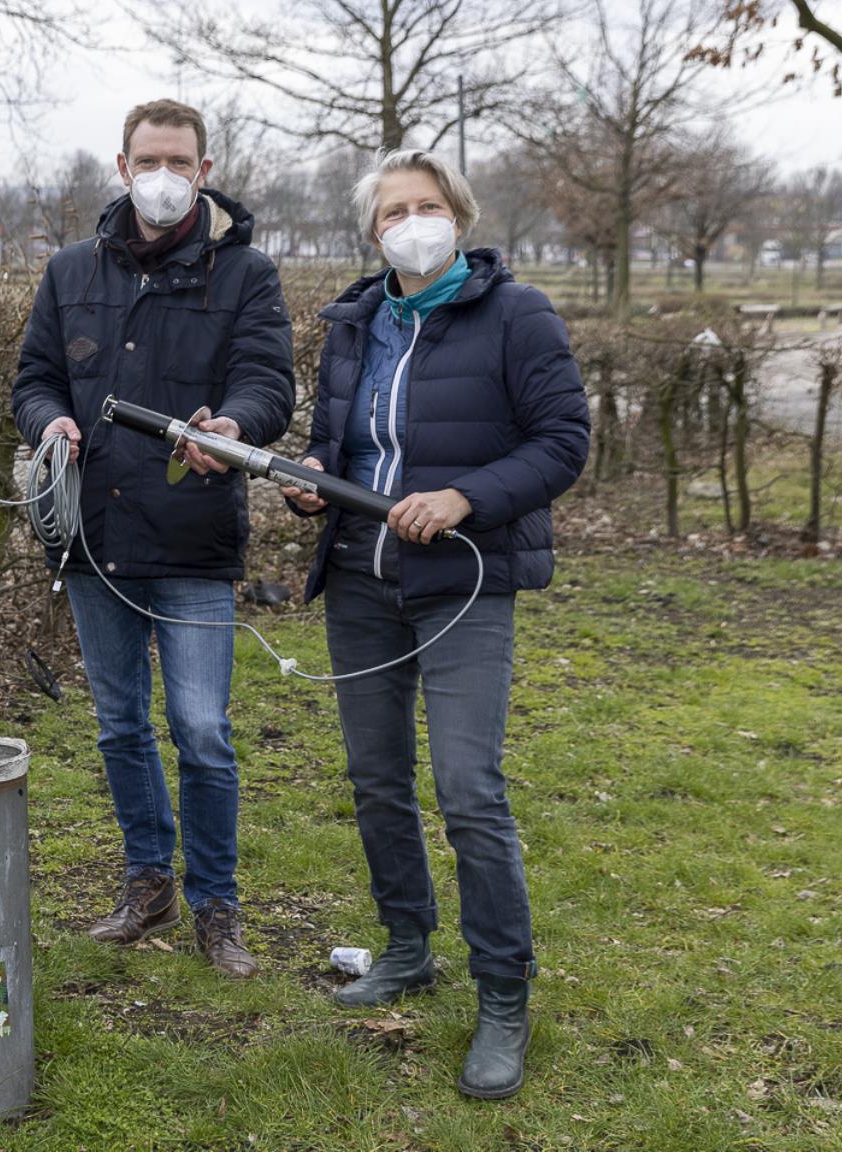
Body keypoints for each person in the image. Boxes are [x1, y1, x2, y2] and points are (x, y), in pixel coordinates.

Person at [279, 149, 589, 1099]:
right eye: (392, 213)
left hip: (462, 583)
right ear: (374, 235)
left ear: (459, 213)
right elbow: (340, 446)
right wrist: (307, 486)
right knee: (377, 780)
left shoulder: (518, 315)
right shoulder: (354, 321)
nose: (412, 223)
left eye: (428, 206)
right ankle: (407, 945)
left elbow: (564, 443)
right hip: (364, 585)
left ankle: (504, 995)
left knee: (468, 789)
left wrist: (463, 496)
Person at [12, 99, 295, 978]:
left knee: (201, 727)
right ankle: (148, 883)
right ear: (124, 165)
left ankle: (217, 904)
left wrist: (235, 428)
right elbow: (34, 377)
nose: (163, 175)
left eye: (180, 160)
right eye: (148, 159)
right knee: (120, 725)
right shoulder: (69, 271)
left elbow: (267, 381)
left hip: (195, 540)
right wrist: (49, 421)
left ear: (204, 171)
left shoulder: (245, 275)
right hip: (96, 542)